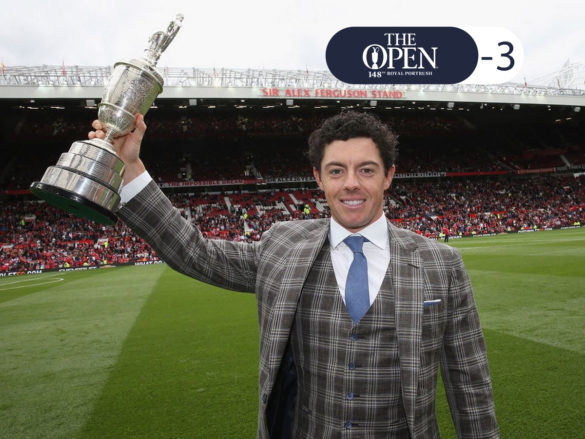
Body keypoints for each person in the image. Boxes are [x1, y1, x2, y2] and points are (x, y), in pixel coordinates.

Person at [89, 110, 498, 438]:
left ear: (389, 176)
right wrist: (130, 168)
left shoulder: (441, 264)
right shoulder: (283, 246)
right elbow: (196, 253)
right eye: (337, 171)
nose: (351, 184)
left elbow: (470, 384)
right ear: (319, 178)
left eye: (367, 170)